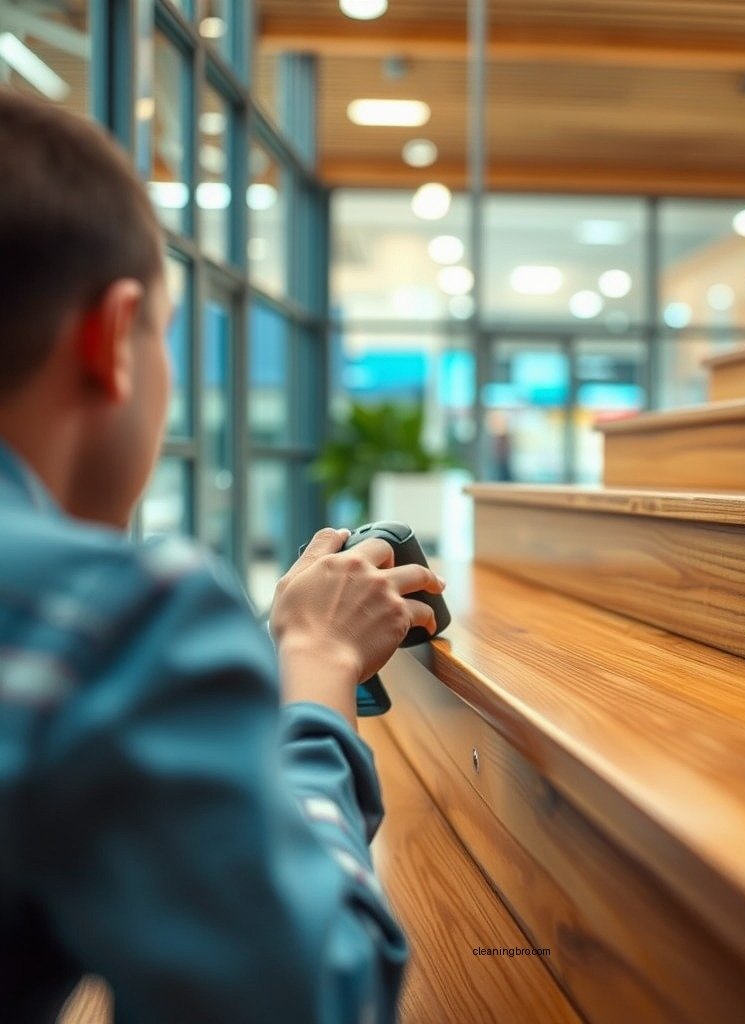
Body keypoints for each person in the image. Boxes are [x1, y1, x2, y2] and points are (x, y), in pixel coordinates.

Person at [0, 90, 445, 1022]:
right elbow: (314, 998)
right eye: (166, 336)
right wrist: (316, 667)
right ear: (113, 338)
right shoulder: (109, 613)